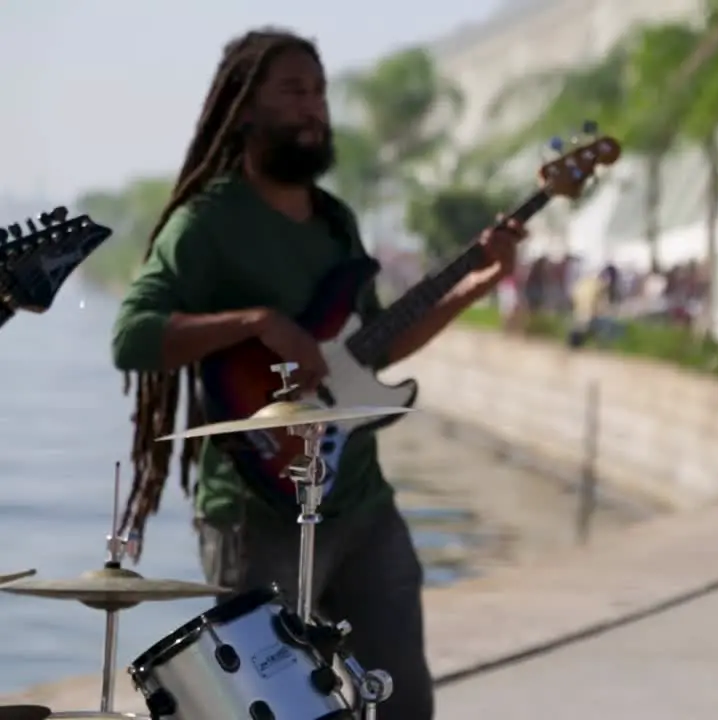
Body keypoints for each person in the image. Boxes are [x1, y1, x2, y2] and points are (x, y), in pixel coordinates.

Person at [109, 29, 524, 719]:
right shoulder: (207, 225)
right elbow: (133, 337)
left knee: (402, 703)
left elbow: (373, 349)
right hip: (255, 509)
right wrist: (254, 322)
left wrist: (482, 281)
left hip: (359, 501)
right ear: (244, 109)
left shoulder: (337, 224)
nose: (314, 108)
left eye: (320, 92)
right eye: (293, 91)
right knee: (271, 709)